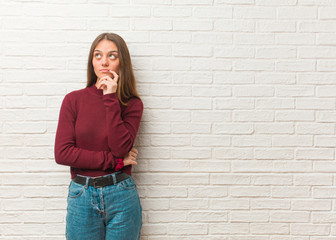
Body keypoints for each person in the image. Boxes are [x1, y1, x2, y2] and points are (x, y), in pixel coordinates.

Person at [54, 32, 143, 240]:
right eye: (98, 55)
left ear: (122, 63)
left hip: (121, 194)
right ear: (91, 61)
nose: (104, 62)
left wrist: (110, 97)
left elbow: (121, 148)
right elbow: (62, 153)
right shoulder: (73, 100)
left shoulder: (132, 104)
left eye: (112, 56)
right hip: (81, 195)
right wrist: (115, 161)